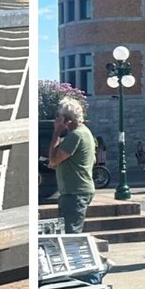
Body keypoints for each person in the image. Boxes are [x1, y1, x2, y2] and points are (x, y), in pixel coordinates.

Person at [48, 97, 96, 233]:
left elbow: (53, 161)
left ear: (66, 119)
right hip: (79, 190)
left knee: (70, 233)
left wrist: (57, 132)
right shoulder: (86, 133)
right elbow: (93, 160)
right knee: (69, 230)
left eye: (59, 116)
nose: (56, 119)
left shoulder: (75, 136)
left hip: (74, 192)